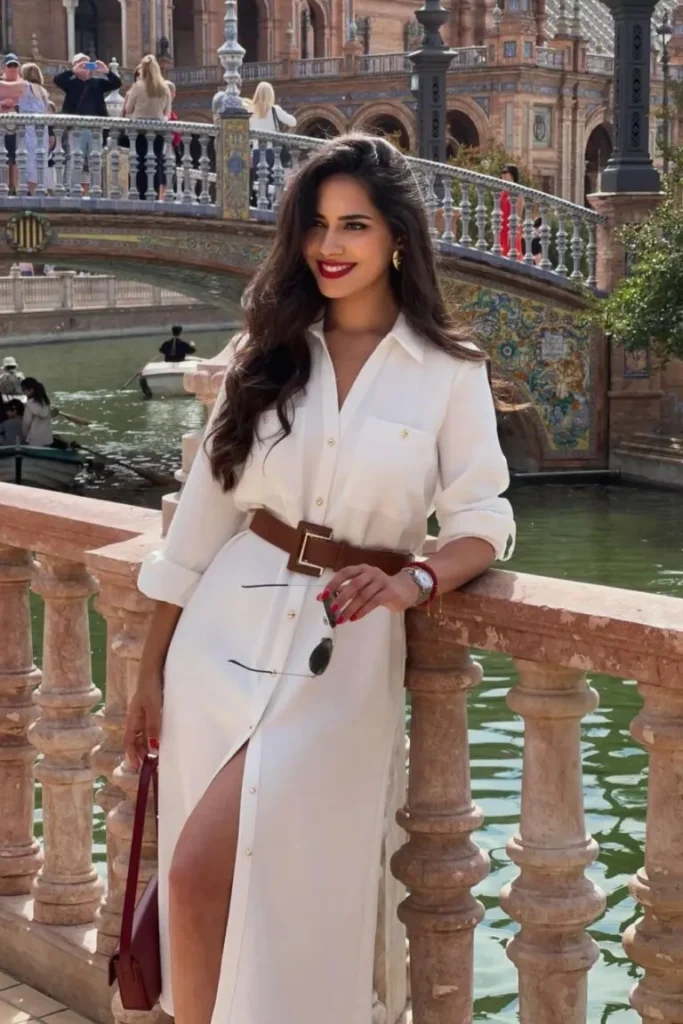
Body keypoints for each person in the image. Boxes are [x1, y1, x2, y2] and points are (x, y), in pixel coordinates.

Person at [124, 133, 515, 1024]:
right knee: (194, 878)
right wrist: (148, 668)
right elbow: (201, 520)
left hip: (343, 649)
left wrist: (414, 582)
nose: (329, 247)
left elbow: (483, 521)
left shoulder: (448, 373)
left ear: (397, 240)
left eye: (354, 226)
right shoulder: (265, 352)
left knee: (292, 891)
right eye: (315, 225)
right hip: (223, 629)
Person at [54, 54, 122, 192]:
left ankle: (96, 189)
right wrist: (74, 71)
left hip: (95, 129)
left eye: (87, 65)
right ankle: (74, 190)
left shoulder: (97, 83)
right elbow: (57, 80)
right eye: (82, 65)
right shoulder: (71, 83)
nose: (86, 68)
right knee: (75, 160)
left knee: (95, 161)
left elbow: (117, 84)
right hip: (76, 128)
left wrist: (106, 71)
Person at [123, 54, 171, 200]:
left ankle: (137, 194)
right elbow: (166, 112)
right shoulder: (164, 88)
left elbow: (129, 109)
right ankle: (154, 195)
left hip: (138, 132)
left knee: (138, 163)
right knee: (155, 164)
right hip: (157, 132)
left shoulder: (138, 87)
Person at [248, 81, 296, 203]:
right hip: (272, 153)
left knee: (259, 184)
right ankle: (270, 208)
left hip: (256, 153)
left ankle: (259, 207)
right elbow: (293, 122)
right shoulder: (275, 110)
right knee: (273, 183)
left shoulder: (250, 111)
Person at [18, 64, 50, 193]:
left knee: (28, 159)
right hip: (42, 128)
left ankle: (30, 190)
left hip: (28, 128)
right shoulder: (43, 91)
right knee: (39, 159)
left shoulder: (25, 86)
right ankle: (37, 189)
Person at [0, 54, 27, 193]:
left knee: (16, 158)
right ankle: (4, 188)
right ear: (3, 67)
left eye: (15, 65)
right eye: (9, 65)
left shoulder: (25, 85)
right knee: (3, 158)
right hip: (1, 128)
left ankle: (15, 188)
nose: (12, 68)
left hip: (18, 129)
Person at [499, 163, 525, 259]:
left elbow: (518, 214)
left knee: (512, 253)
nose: (503, 175)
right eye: (502, 173)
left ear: (513, 174)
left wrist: (513, 231)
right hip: (501, 227)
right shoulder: (501, 193)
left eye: (506, 172)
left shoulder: (518, 193)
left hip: (512, 228)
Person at [21, 377, 53, 446]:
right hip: (48, 438)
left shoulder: (29, 404)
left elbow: (26, 423)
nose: (23, 392)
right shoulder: (46, 402)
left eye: (24, 390)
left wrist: (26, 436)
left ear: (31, 390)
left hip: (35, 439)